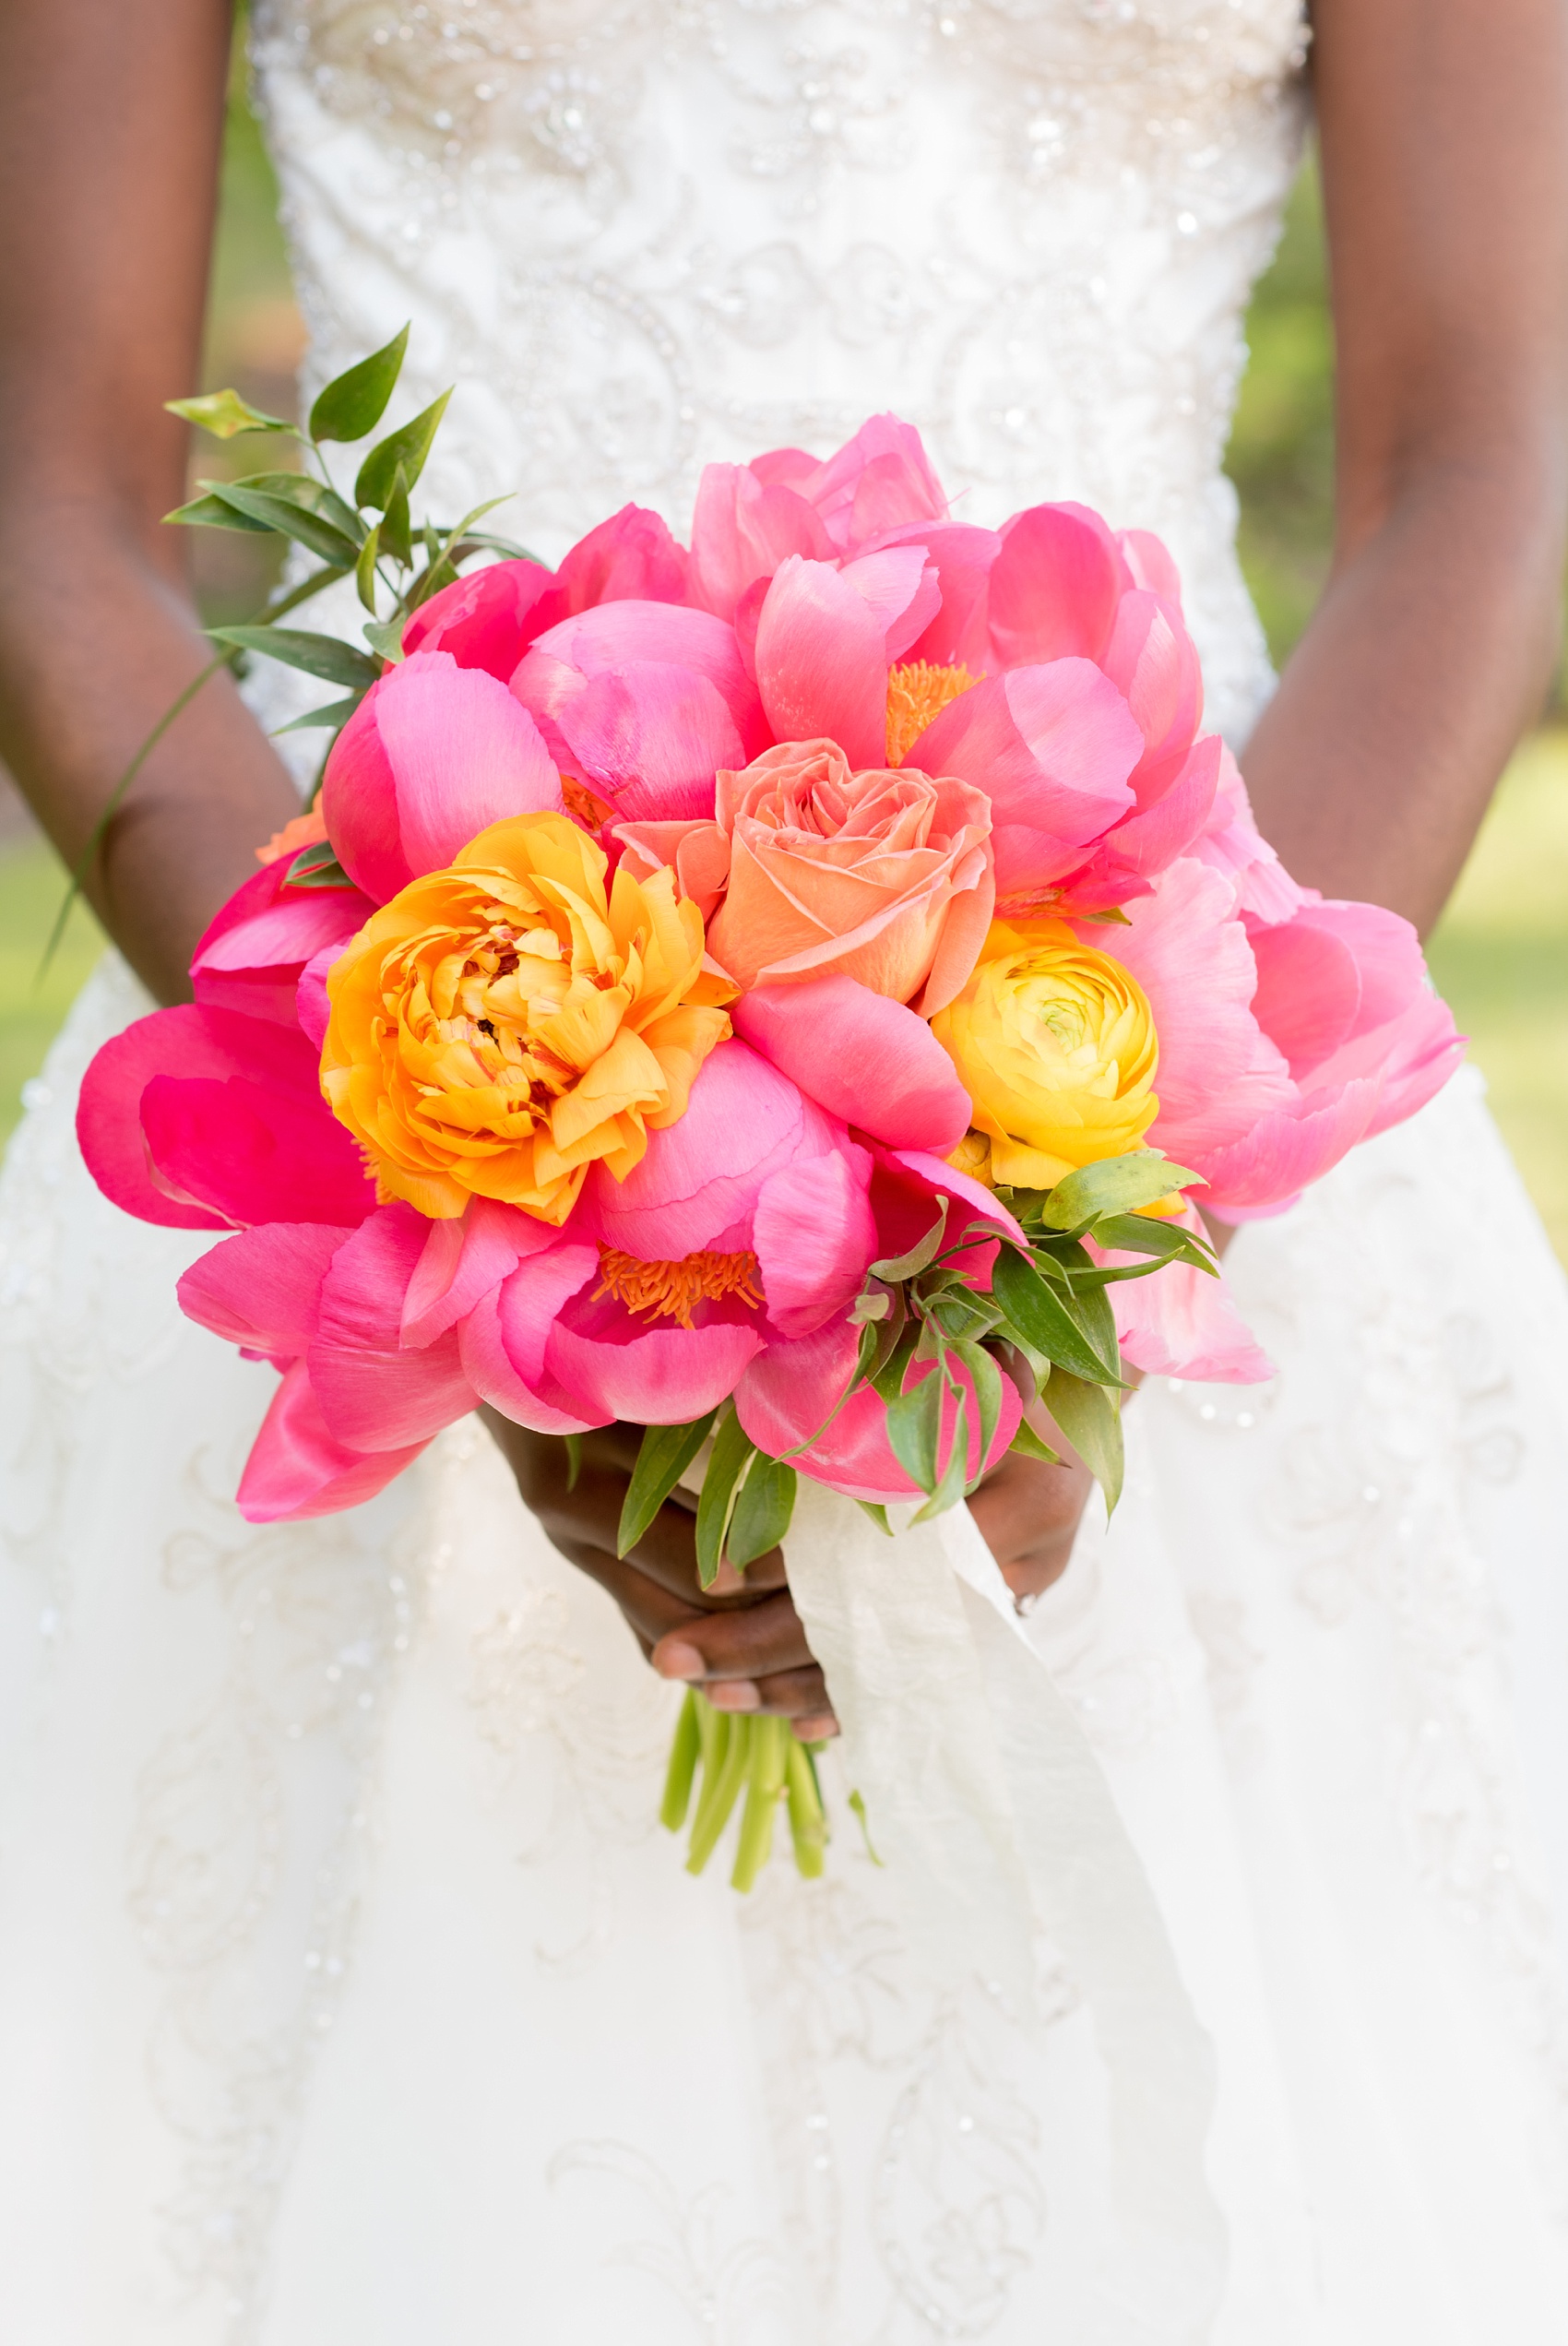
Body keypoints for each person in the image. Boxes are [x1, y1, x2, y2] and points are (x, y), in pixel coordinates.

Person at [3, 0, 1568, 2335]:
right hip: (374, 1046)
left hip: (1175, 1048)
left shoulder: (1121, 1186)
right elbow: (48, 486)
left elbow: (1482, 449)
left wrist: (1069, 1247)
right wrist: (472, 1171)